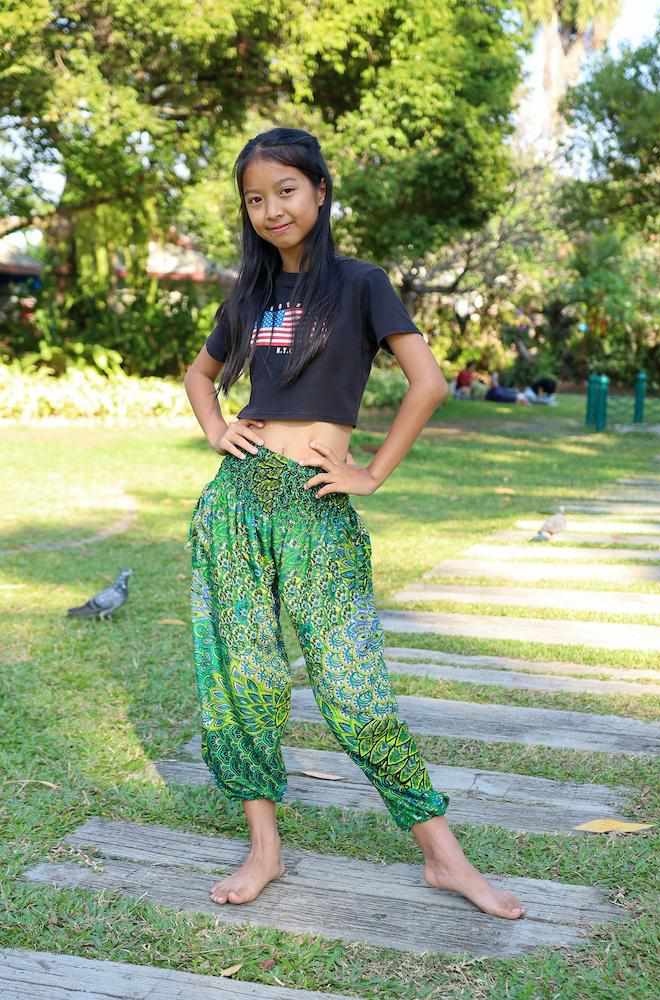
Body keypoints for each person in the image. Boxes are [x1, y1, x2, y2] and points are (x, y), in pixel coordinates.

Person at [183, 127, 525, 921]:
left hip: (317, 504)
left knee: (353, 687)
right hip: (236, 502)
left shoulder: (361, 284)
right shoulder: (247, 294)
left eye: (285, 191)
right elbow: (201, 376)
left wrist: (370, 473)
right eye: (255, 199)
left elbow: (428, 383)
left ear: (320, 190)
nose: (271, 209)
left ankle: (443, 858)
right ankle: (264, 849)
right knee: (243, 680)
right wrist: (215, 427)